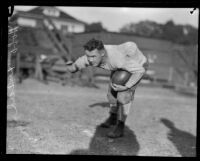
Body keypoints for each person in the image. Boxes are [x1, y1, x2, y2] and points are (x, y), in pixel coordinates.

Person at [66, 38, 149, 138]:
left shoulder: (118, 59)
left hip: (138, 65)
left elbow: (140, 70)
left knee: (123, 95)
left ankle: (120, 126)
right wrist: (70, 65)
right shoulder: (89, 57)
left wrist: (126, 87)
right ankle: (113, 117)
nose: (90, 60)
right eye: (88, 56)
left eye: (93, 57)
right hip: (121, 65)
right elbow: (73, 67)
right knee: (111, 94)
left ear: (102, 53)